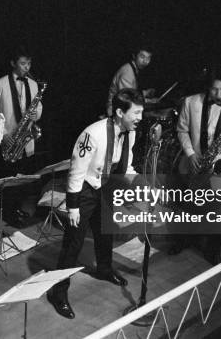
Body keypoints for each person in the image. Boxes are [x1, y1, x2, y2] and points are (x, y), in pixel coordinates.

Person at [47, 88, 143, 319]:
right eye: (137, 112)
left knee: (104, 233)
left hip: (106, 187)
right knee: (74, 244)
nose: (140, 118)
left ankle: (104, 269)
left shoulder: (130, 131)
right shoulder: (92, 134)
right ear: (120, 112)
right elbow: (76, 173)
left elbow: (125, 166)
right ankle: (58, 293)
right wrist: (72, 207)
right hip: (85, 190)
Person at [172, 65, 221, 263]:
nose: (219, 94)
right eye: (215, 89)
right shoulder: (191, 102)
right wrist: (190, 153)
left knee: (218, 212)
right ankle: (183, 241)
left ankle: (212, 251)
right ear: (208, 87)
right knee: (188, 206)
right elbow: (181, 130)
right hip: (196, 163)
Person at [0, 46, 43, 225]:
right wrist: (3, 136)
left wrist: (37, 114)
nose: (27, 67)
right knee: (9, 180)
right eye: (23, 63)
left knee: (23, 179)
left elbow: (38, 106)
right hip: (9, 139)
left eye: (29, 63)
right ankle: (7, 212)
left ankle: (17, 208)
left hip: (26, 139)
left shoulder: (34, 84)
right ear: (13, 63)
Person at [106, 44, 155, 117]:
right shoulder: (127, 72)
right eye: (142, 57)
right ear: (134, 56)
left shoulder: (133, 68)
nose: (145, 61)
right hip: (115, 112)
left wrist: (145, 93)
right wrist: (149, 101)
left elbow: (132, 90)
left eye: (148, 58)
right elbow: (127, 98)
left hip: (123, 108)